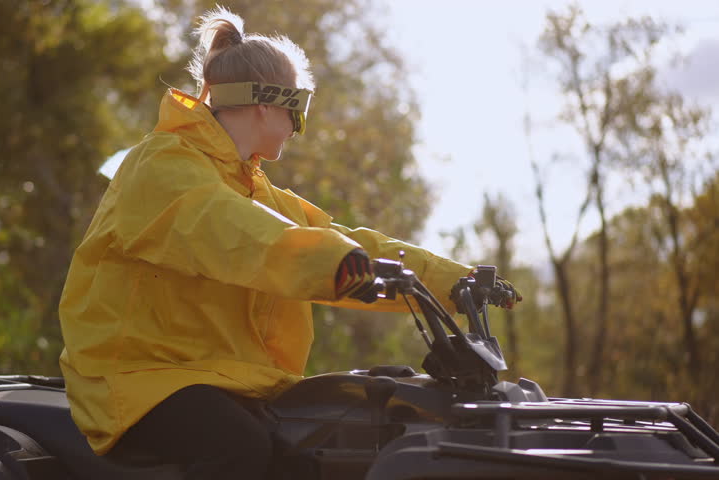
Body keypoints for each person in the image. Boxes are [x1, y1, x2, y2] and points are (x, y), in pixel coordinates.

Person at [58, 7, 520, 480]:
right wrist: (334, 262)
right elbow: (235, 230)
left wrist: (457, 281)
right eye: (298, 110)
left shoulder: (256, 191)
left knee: (330, 435)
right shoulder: (162, 166)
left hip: (222, 377)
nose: (299, 125)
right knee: (238, 448)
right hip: (138, 378)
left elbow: (344, 241)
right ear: (266, 102)